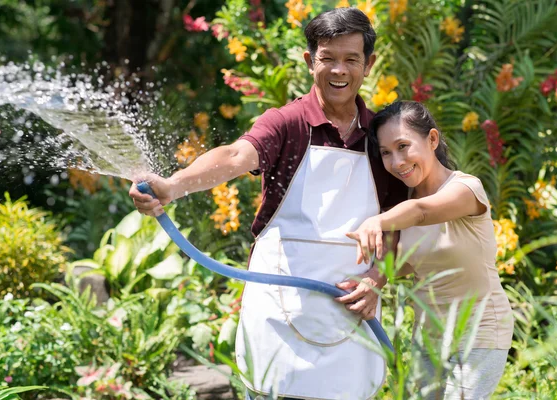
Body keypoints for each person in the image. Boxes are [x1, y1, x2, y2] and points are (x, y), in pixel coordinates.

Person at [129, 8, 407, 400]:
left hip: (352, 306)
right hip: (281, 301)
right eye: (328, 59)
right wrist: (173, 185)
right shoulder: (287, 122)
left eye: (351, 59)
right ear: (311, 62)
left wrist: (375, 281)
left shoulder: (382, 138)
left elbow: (397, 226)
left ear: (369, 64)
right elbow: (234, 156)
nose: (339, 70)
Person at [342, 101, 514, 400]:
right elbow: (391, 264)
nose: (396, 162)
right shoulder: (400, 210)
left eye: (403, 146)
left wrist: (375, 222)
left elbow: (422, 212)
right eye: (386, 152)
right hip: (428, 340)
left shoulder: (465, 189)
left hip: (479, 333)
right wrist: (369, 283)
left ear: (432, 140)